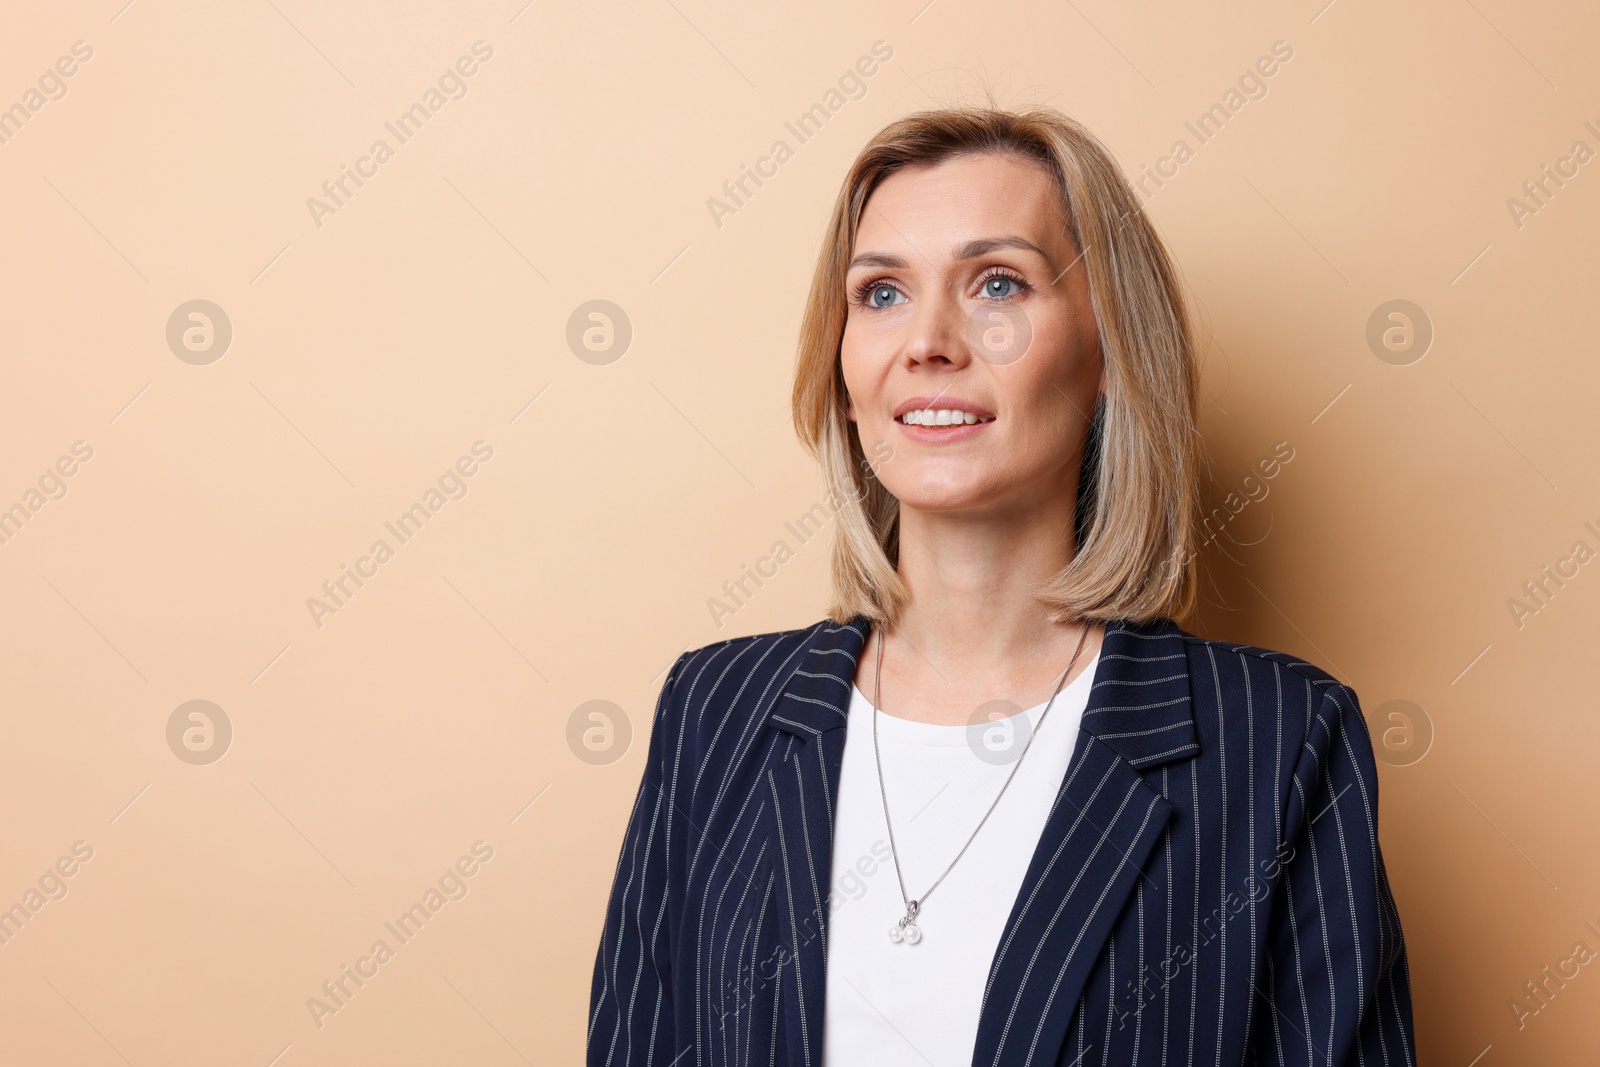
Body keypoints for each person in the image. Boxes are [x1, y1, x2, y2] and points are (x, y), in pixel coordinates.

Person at [588, 104, 1415, 1066]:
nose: (929, 341)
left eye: (997, 284)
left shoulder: (1281, 740)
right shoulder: (712, 714)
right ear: (843, 366)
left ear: (1109, 349)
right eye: (882, 294)